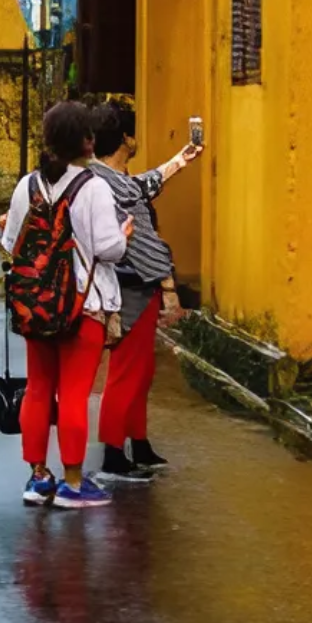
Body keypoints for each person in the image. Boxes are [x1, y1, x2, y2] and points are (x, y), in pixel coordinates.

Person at [0, 101, 131, 510]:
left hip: (34, 306)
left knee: (38, 389)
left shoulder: (27, 185)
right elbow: (109, 250)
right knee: (74, 393)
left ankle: (39, 478)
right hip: (82, 306)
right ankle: (74, 483)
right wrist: (124, 232)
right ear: (87, 141)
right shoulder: (93, 188)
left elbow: (10, 244)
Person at [87, 103, 202, 481]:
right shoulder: (104, 183)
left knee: (141, 370)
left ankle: (138, 441)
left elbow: (144, 185)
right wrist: (166, 275)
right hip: (129, 286)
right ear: (126, 138)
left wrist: (181, 159)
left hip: (138, 284)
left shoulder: (110, 179)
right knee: (126, 372)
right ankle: (114, 454)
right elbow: (141, 234)